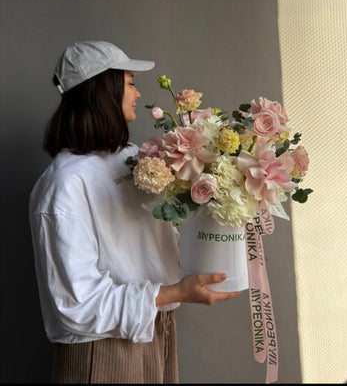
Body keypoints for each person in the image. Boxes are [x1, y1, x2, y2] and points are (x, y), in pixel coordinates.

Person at [29, 40, 240, 384]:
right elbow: (77, 303)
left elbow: (157, 238)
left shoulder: (131, 159)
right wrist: (177, 292)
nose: (138, 94)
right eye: (130, 83)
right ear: (103, 91)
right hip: (102, 349)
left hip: (155, 328)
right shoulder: (64, 185)